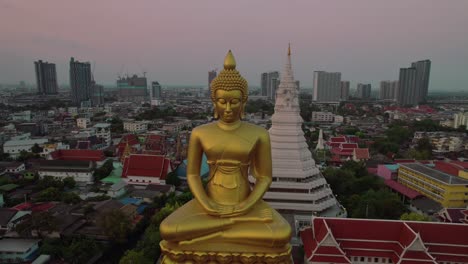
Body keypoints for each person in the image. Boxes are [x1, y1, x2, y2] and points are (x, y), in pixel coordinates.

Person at [160, 50, 291, 250]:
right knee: (168, 229)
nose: (228, 108)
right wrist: (206, 204)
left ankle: (214, 230)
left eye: (234, 101)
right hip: (209, 203)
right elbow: (193, 174)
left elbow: (265, 177)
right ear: (215, 102)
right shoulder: (200, 133)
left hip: (245, 202)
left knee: (282, 233)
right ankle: (231, 227)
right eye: (222, 102)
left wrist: (246, 206)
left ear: (243, 102)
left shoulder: (259, 134)